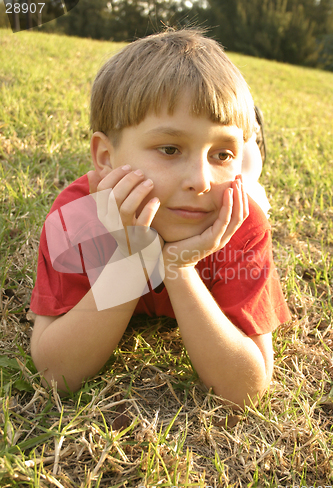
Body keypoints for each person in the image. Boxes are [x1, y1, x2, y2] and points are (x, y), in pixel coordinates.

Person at [30, 29, 290, 409]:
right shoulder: (76, 219)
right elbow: (56, 372)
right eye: (169, 149)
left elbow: (245, 388)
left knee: (249, 178)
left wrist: (177, 268)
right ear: (105, 157)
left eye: (221, 153)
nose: (201, 181)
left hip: (238, 188)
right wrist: (135, 258)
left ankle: (249, 146)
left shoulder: (241, 225)